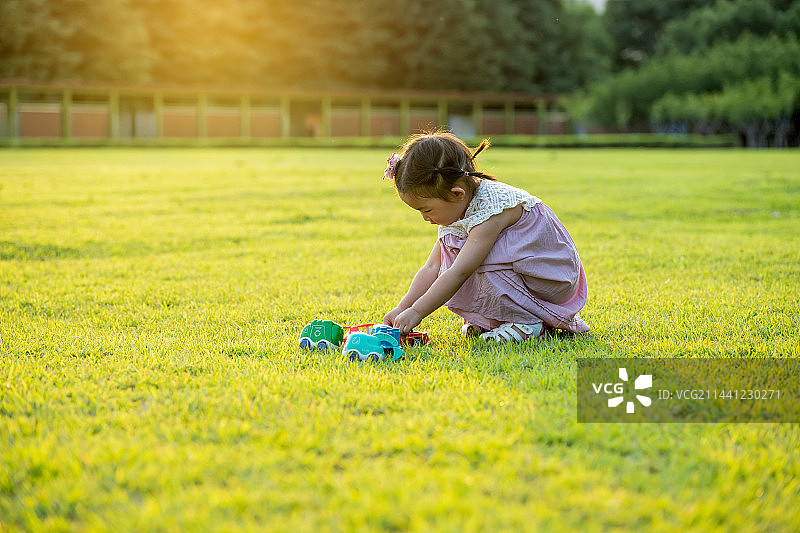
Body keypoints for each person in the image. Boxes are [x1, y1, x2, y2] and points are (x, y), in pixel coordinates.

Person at [381, 131, 589, 342]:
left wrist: (417, 312)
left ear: (456, 193)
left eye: (426, 210)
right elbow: (432, 267)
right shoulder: (457, 209)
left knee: (472, 262)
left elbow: (461, 271)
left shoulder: (491, 211)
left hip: (549, 278)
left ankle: (528, 323)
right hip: (522, 273)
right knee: (453, 254)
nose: (425, 218)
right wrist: (402, 307)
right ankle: (498, 318)